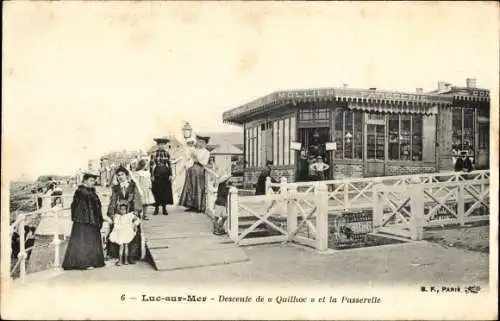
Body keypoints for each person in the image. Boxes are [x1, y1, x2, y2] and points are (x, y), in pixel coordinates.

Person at [62, 170, 111, 270]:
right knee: (85, 241)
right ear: (85, 180)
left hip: (90, 219)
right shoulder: (82, 191)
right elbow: (84, 204)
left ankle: (91, 262)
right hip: (84, 221)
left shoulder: (88, 191)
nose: (93, 182)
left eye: (94, 180)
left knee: (89, 241)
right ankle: (84, 263)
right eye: (91, 180)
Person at [106, 166, 143, 263]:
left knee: (133, 233)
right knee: (118, 233)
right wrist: (112, 214)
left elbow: (137, 199)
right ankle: (118, 256)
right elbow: (113, 201)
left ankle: (132, 256)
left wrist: (136, 212)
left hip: (130, 212)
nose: (120, 177)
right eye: (118, 175)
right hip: (120, 214)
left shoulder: (132, 186)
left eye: (122, 174)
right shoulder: (115, 188)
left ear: (127, 175)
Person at [179, 135, 211, 212]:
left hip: (199, 170)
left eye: (202, 142)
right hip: (191, 170)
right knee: (190, 187)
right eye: (199, 142)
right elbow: (189, 158)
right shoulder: (195, 150)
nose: (200, 144)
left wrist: (196, 159)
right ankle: (191, 205)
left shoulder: (206, 152)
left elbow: (204, 162)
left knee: (198, 187)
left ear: (205, 143)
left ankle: (199, 206)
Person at [150, 137, 174, 215]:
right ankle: (156, 208)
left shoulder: (167, 153)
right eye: (160, 144)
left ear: (165, 145)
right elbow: (151, 165)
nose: (161, 146)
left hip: (165, 173)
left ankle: (164, 208)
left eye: (163, 145)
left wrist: (170, 174)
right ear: (157, 145)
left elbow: (169, 164)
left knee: (165, 191)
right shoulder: (154, 153)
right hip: (157, 172)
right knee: (157, 190)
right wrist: (152, 175)